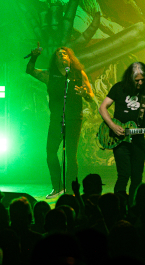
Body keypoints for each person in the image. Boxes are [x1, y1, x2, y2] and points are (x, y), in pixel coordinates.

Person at [26, 46, 95, 199]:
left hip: (74, 118)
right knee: (51, 153)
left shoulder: (79, 74)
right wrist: (34, 57)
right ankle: (57, 187)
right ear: (55, 59)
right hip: (57, 119)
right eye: (58, 54)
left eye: (65, 54)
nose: (62, 56)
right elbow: (30, 70)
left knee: (71, 155)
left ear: (70, 58)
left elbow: (91, 95)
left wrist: (85, 93)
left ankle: (70, 190)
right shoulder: (49, 75)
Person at [98, 62, 145, 197]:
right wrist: (113, 126)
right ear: (130, 78)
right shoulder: (119, 88)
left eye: (143, 80)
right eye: (137, 80)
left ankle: (134, 204)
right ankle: (119, 204)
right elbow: (102, 108)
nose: (140, 83)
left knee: (137, 177)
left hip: (138, 139)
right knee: (124, 175)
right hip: (120, 139)